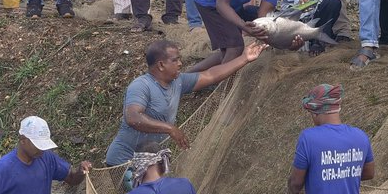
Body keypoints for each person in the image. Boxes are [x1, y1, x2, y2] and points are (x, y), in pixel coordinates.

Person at [105, 40, 268, 165]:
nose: (180, 64)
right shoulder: (141, 85)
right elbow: (133, 117)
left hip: (151, 160)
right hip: (123, 161)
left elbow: (210, 75)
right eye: (175, 60)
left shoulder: (178, 81)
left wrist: (244, 58)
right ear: (161, 65)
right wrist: (169, 128)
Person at [286, 84, 374, 194]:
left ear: (317, 112)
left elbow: (295, 183)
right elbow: (368, 173)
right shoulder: (360, 136)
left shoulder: (308, 138)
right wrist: (343, 173)